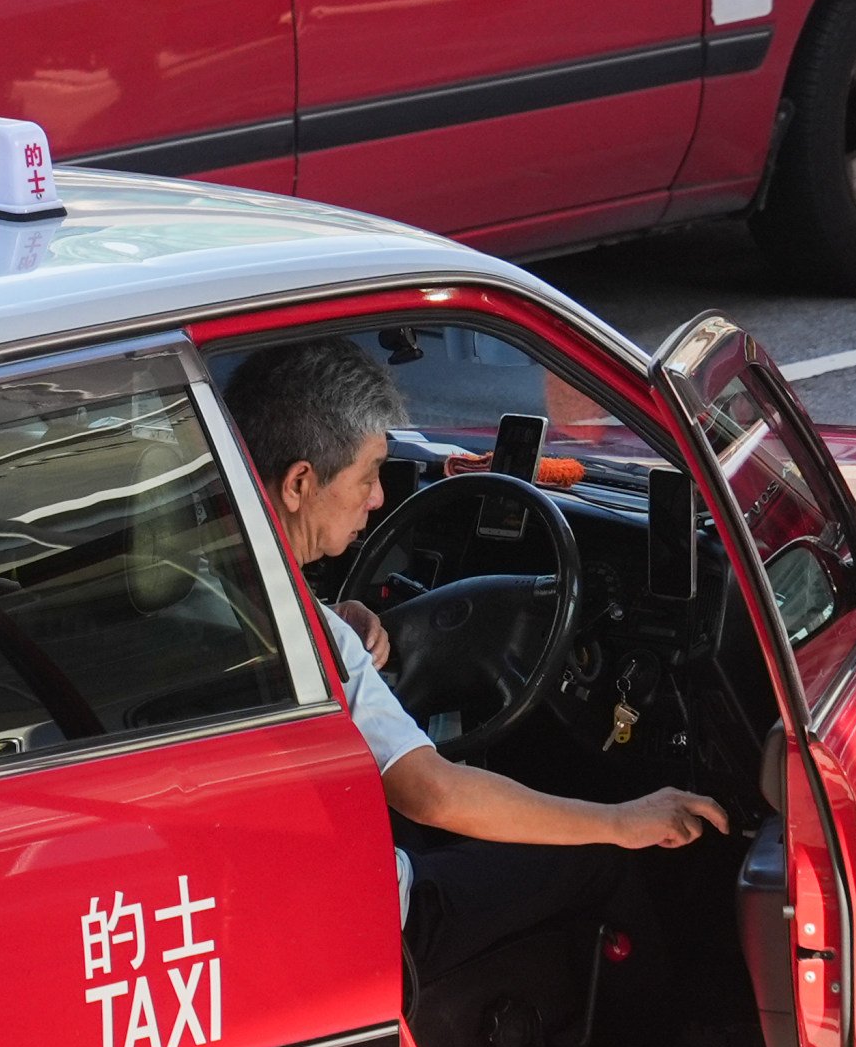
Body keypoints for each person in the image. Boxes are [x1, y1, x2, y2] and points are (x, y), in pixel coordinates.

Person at [221, 341, 727, 990]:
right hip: (369, 926)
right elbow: (432, 792)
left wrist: (334, 613)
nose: (377, 499)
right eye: (369, 474)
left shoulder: (211, 580)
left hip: (264, 894)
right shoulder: (312, 638)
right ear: (298, 484)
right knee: (604, 859)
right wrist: (621, 820)